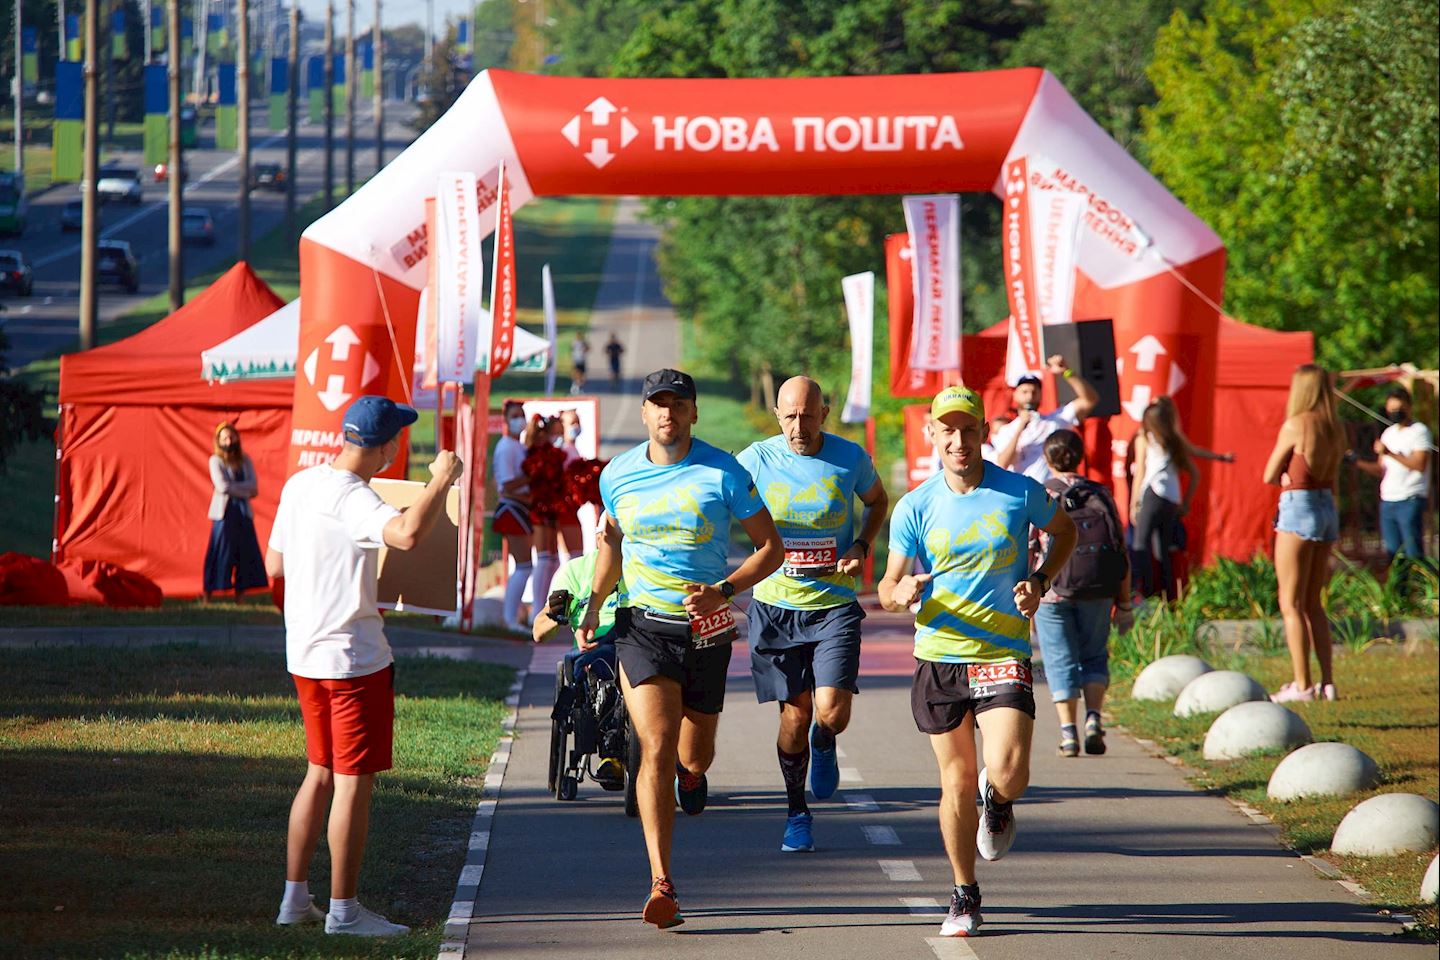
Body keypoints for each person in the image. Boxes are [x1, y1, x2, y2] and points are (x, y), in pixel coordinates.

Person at [576, 368, 784, 929]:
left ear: (693, 413)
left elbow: (772, 549)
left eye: (678, 404)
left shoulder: (725, 472)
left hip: (708, 628)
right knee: (658, 745)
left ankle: (693, 779)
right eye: (657, 404)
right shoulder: (616, 476)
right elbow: (611, 547)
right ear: (644, 413)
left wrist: (723, 591)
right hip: (642, 627)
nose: (667, 412)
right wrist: (593, 604)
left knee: (694, 755)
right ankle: (661, 880)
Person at [878, 384, 1077, 939]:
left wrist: (1038, 581)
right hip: (940, 654)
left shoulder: (1019, 492)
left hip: (1001, 650)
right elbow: (888, 584)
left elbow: (1065, 532)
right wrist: (902, 593)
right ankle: (964, 894)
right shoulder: (915, 505)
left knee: (1009, 771)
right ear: (932, 436)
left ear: (984, 432)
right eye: (948, 430)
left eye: (969, 429)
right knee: (956, 779)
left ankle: (1000, 799)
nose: (959, 440)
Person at [265, 395, 463, 936]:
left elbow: (274, 563)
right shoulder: (355, 499)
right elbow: (405, 534)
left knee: (319, 773)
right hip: (353, 660)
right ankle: (345, 912)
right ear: (388, 447)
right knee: (353, 782)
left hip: (304, 655)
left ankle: (293, 902)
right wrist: (439, 482)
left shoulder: (301, 485)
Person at [736, 377, 889, 854]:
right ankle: (796, 812)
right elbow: (714, 503)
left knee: (831, 713)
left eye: (808, 415)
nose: (798, 426)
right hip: (776, 606)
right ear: (777, 415)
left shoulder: (850, 458)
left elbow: (878, 501)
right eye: (789, 416)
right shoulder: (755, 460)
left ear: (824, 412)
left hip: (834, 605)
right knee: (794, 716)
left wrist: (862, 545)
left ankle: (827, 741)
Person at [1033, 430, 1132, 757]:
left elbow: (1029, 548)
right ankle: (1093, 718)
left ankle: (1068, 733)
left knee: (1059, 660)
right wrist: (1125, 602)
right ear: (1080, 457)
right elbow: (1120, 549)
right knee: (1093, 655)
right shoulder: (1100, 494)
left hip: (1051, 592)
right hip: (1098, 589)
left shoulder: (1041, 494)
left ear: (1047, 459)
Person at [1264, 365, 1346, 702]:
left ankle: (1302, 685)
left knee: (1290, 602)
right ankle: (1327, 683)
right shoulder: (1335, 427)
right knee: (1313, 602)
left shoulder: (1297, 424)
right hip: (1327, 506)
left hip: (1299, 505)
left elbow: (1269, 473)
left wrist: (1284, 477)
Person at [532, 524, 628, 784]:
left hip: (636, 638)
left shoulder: (642, 565)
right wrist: (557, 614)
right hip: (598, 645)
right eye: (615, 537)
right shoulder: (576, 571)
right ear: (599, 539)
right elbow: (538, 632)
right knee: (601, 668)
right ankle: (611, 753)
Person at [1128, 396, 1234, 600]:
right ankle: (1170, 598)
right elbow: (1196, 464)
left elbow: (1140, 470)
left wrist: (1134, 503)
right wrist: (1221, 458)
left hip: (1151, 493)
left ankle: (1145, 594)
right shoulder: (1174, 439)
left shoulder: (1145, 437)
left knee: (1141, 545)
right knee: (1163, 550)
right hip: (1171, 498)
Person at [1354, 385, 1434, 564]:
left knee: (1413, 552)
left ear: (1408, 407)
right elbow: (1380, 470)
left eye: (1399, 409)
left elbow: (1419, 464)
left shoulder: (1419, 431)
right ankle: (1400, 591)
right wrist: (1356, 462)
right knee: (1394, 554)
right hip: (1388, 500)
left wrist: (1390, 453)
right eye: (1391, 410)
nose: (1395, 413)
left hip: (1410, 498)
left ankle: (1423, 587)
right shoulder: (1388, 434)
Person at [989, 355, 1099, 481]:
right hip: (1025, 495)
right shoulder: (1007, 431)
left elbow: (1089, 400)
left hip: (1053, 493)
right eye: (1025, 392)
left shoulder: (1055, 421)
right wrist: (1020, 428)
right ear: (1015, 395)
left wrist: (1067, 372)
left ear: (1041, 395)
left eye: (1034, 392)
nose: (1030, 396)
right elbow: (1002, 464)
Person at [203, 422, 268, 602]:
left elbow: (254, 488)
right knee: (219, 552)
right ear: (218, 440)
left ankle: (241, 595)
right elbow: (222, 486)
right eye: (224, 437)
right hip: (224, 515)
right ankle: (208, 594)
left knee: (244, 553)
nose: (229, 440)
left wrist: (235, 488)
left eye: (231, 436)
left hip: (243, 513)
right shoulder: (215, 460)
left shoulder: (245, 460)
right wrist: (242, 488)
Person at [493, 400, 535, 633]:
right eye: (514, 415)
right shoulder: (506, 447)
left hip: (520, 508)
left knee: (525, 566)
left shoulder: (518, 446)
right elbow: (507, 485)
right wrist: (531, 477)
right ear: (506, 420)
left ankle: (513, 616)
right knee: (524, 566)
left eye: (522, 415)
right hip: (511, 507)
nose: (519, 419)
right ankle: (509, 621)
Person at [523, 414, 567, 607]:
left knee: (552, 561)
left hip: (551, 509)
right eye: (556, 432)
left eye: (561, 432)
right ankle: (536, 610)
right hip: (539, 509)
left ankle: (543, 607)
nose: (559, 436)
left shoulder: (555, 454)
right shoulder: (537, 455)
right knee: (543, 559)